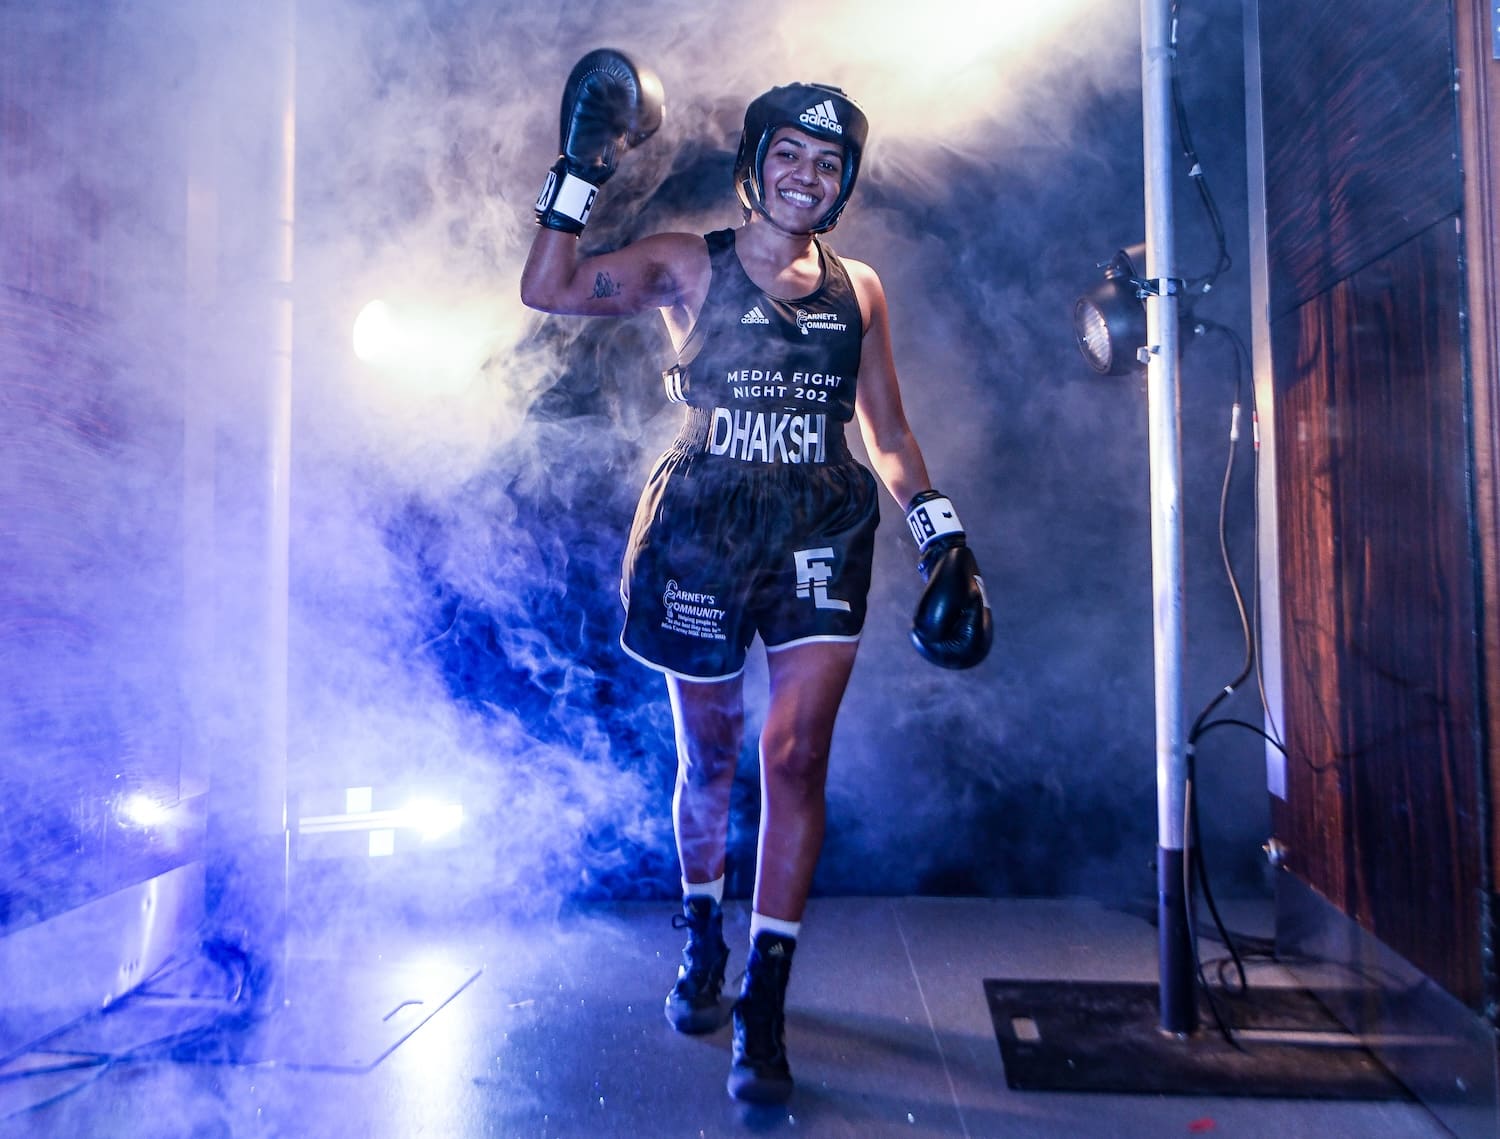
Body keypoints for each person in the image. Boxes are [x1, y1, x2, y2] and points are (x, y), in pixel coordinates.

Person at [520, 48, 990, 1105]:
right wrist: (579, 166)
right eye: (790, 154)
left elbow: (889, 430)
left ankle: (764, 1002)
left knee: (797, 755)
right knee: (712, 756)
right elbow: (547, 287)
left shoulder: (861, 290)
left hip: (821, 521)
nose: (806, 175)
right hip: (704, 523)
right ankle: (702, 937)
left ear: (844, 183)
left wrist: (942, 534)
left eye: (828, 162)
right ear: (755, 163)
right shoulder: (690, 265)